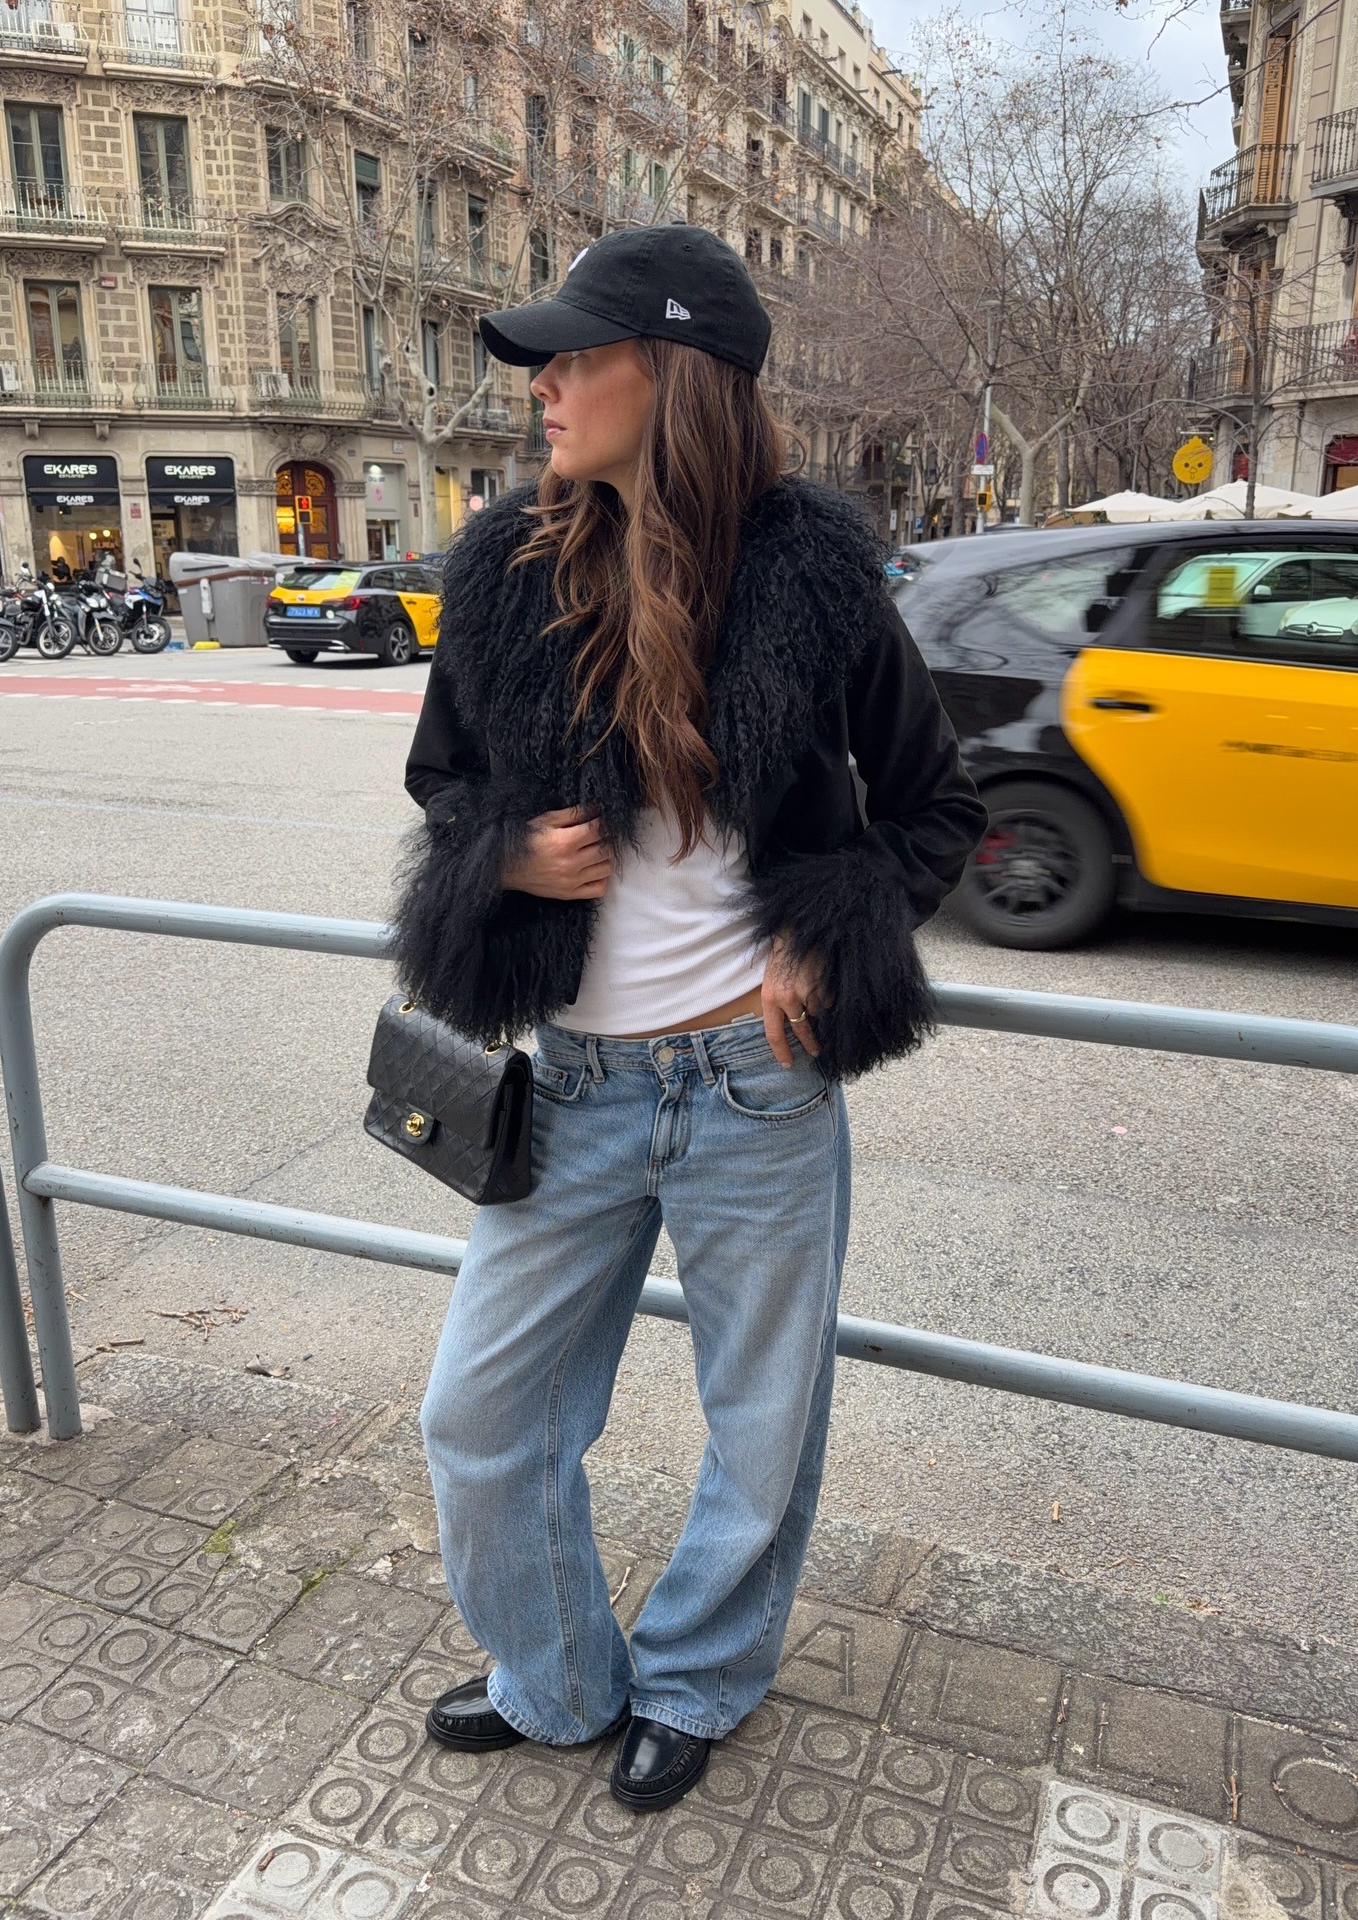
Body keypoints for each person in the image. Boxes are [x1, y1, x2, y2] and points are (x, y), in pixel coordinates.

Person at [393, 225, 985, 1813]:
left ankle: (700, 1679)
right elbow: (442, 785)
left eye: (578, 358)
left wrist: (833, 949)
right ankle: (560, 1675)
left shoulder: (813, 575)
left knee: (762, 1426)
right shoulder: (509, 570)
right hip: (572, 1082)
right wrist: (507, 854)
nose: (545, 390)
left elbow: (939, 810)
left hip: (757, 1084)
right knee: (480, 1417)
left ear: (676, 378)